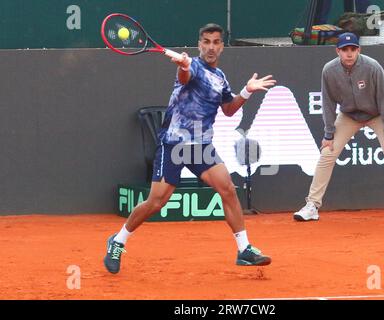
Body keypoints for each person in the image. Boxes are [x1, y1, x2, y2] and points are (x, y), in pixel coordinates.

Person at [104, 23, 276, 274]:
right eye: (206, 41)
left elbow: (228, 109)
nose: (211, 47)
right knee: (156, 202)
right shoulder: (192, 66)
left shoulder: (220, 78)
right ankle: (117, 241)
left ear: (222, 47)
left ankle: (244, 249)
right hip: (174, 143)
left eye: (216, 42)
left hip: (201, 145)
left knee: (227, 188)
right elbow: (186, 77)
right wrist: (183, 67)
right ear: (199, 44)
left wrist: (246, 92)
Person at [293, 32, 384, 226]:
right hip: (349, 116)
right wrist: (328, 134)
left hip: (376, 114)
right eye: (345, 50)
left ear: (359, 50)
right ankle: (312, 206)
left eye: (353, 49)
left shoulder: (372, 67)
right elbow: (327, 104)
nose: (349, 53)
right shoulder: (329, 70)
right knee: (328, 152)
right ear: (338, 51)